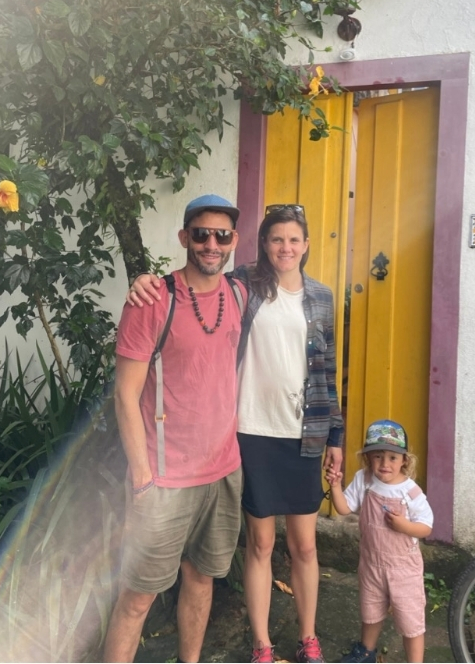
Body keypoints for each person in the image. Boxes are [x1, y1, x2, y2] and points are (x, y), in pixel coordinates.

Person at [128, 204, 344, 663]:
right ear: (262, 245)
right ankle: (262, 643)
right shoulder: (244, 285)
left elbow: (329, 372)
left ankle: (308, 638)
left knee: (304, 544)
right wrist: (145, 280)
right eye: (276, 239)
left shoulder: (321, 297)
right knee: (261, 543)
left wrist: (336, 437)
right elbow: (196, 281)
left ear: (306, 245)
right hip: (251, 431)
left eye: (294, 240)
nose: (285, 247)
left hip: (304, 434)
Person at [103, 195, 246, 663]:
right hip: (162, 479)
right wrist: (142, 475)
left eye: (221, 235)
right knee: (138, 596)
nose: (211, 243)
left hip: (222, 470)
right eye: (201, 233)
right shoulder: (152, 301)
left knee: (202, 581)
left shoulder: (240, 294)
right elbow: (125, 394)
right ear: (184, 238)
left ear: (233, 242)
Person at [326, 420, 433, 663]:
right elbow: (344, 508)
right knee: (370, 610)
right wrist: (334, 485)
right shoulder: (364, 480)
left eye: (392, 458)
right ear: (368, 458)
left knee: (410, 617)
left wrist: (405, 526)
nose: (385, 464)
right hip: (372, 563)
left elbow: (426, 526)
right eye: (378, 456)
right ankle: (366, 651)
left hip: (403, 569)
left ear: (404, 460)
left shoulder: (410, 491)